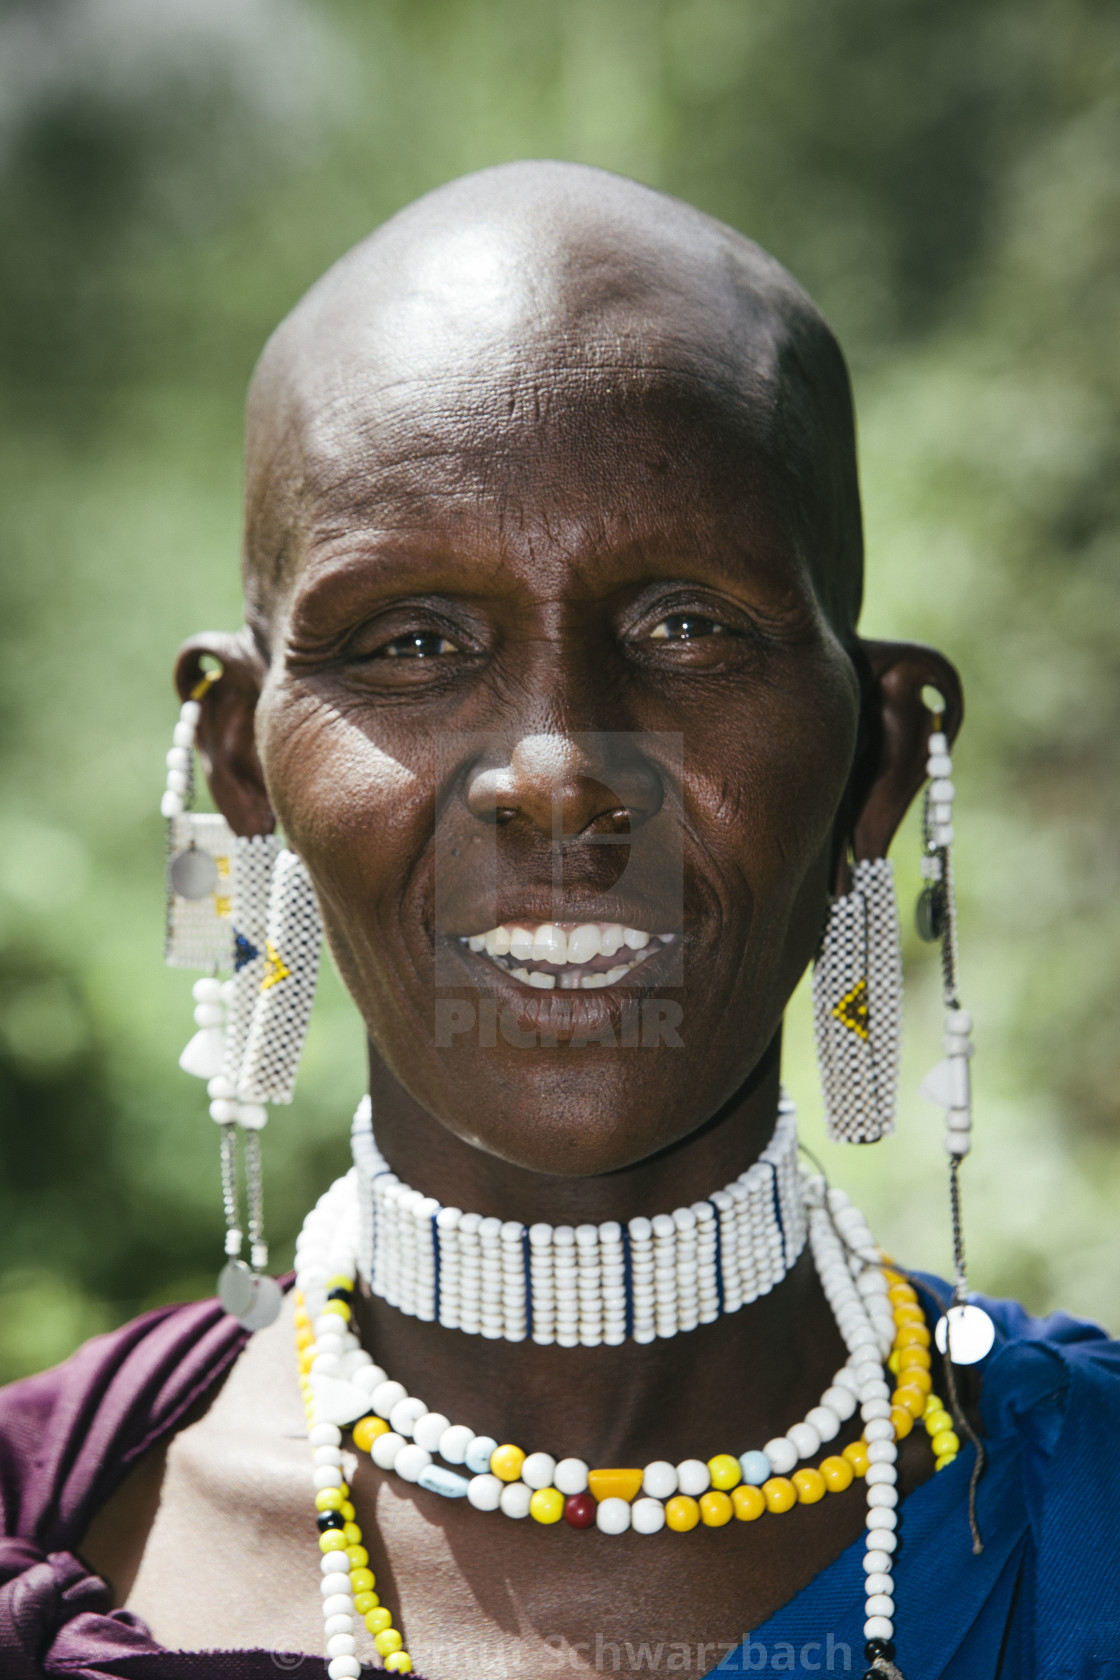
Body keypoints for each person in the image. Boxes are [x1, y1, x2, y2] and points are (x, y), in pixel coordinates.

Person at [1, 161, 1118, 1680]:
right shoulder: (65, 1533)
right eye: (409, 641)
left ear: (876, 758)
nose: (558, 773)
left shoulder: (1079, 1516)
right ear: (240, 765)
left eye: (687, 626)